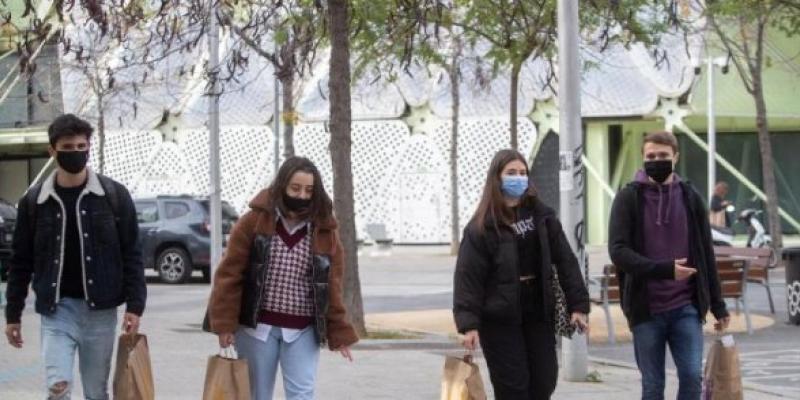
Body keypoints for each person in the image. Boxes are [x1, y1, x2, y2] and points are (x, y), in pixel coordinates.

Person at [4, 113, 146, 399]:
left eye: (81, 147)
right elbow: (20, 262)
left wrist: (135, 305)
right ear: (52, 151)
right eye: (67, 148)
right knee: (58, 388)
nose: (75, 154)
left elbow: (132, 253)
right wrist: (13, 314)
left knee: (96, 392)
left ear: (89, 148)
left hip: (101, 312)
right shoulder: (35, 202)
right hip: (57, 311)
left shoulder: (113, 196)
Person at [206, 156, 358, 400]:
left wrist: (339, 331)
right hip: (257, 329)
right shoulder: (253, 222)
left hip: (302, 330)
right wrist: (225, 324)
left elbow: (332, 285)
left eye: (308, 190)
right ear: (282, 186)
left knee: (302, 393)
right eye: (295, 188)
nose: (301, 196)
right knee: (257, 394)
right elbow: (230, 274)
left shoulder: (324, 230)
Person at [453, 149, 590, 400]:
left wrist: (579, 305)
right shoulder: (481, 227)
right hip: (499, 319)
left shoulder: (542, 216)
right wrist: (468, 324)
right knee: (513, 388)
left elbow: (566, 261)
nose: (519, 178)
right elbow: (467, 278)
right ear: (497, 178)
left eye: (523, 173)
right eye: (511, 173)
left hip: (538, 311)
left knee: (544, 382)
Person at [608, 131, 730, 400]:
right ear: (642, 159)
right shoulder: (628, 198)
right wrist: (664, 269)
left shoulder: (690, 197)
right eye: (651, 156)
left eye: (663, 156)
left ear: (675, 156)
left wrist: (718, 305)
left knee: (691, 377)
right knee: (653, 386)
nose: (657, 161)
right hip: (646, 310)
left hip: (686, 308)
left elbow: (705, 253)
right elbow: (618, 252)